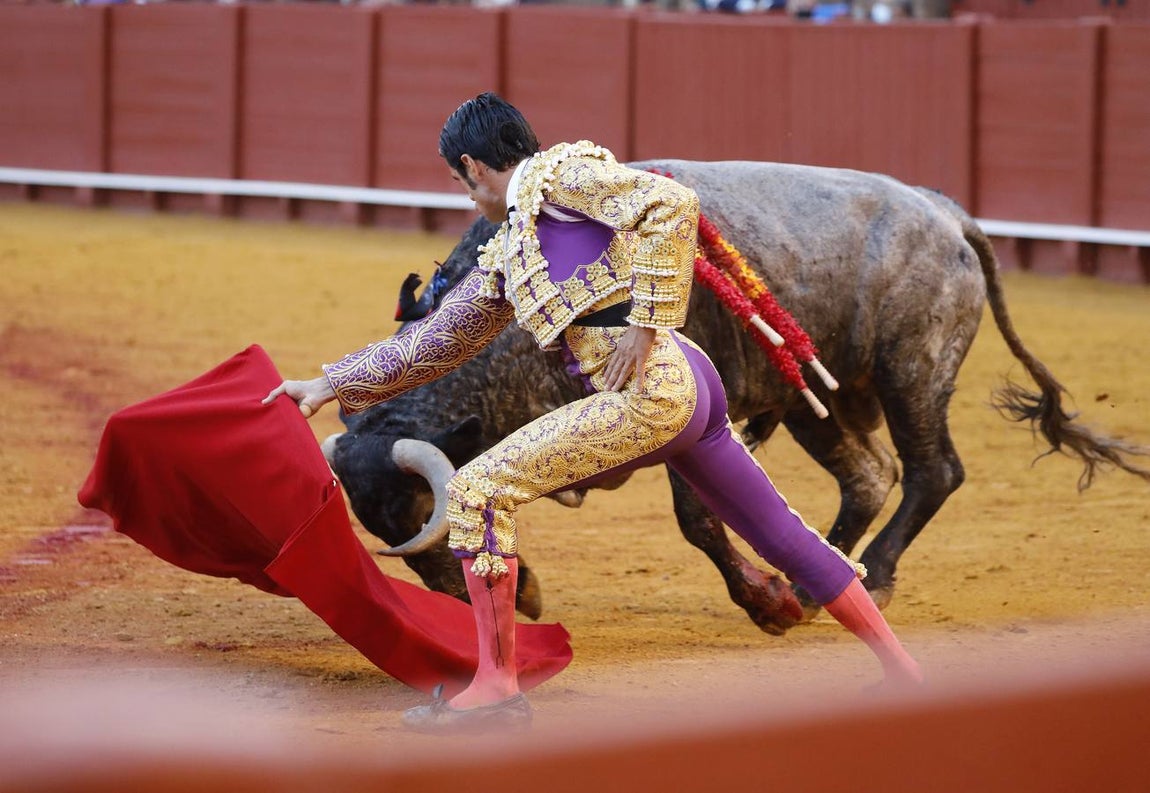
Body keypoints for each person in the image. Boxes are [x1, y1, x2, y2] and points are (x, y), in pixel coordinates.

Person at [263, 92, 922, 733]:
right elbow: (439, 341)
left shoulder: (560, 179)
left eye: (461, 183)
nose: (468, 198)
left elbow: (671, 202)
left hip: (649, 391)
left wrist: (647, 320)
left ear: (473, 167)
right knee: (780, 533)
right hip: (684, 383)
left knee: (477, 490)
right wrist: (328, 384)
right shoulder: (511, 244)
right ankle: (906, 678)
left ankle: (495, 687)